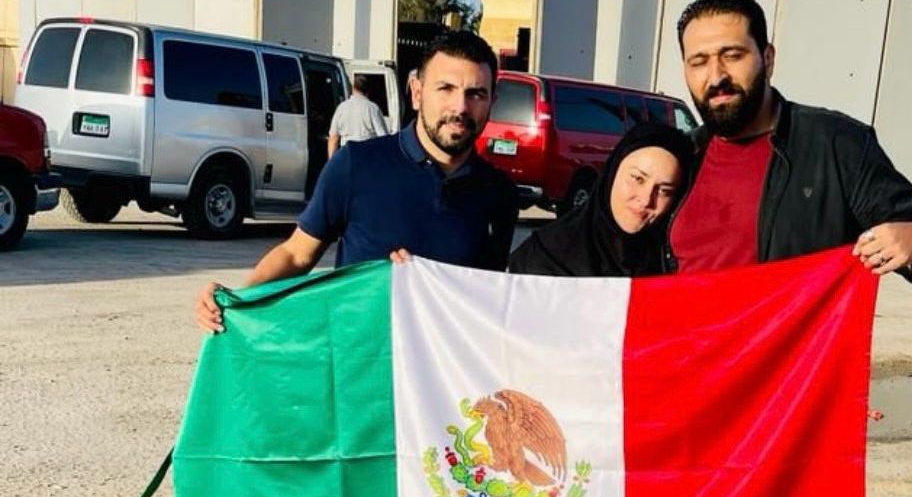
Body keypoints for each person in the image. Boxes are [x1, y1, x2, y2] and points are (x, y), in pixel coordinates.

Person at [196, 30, 519, 332]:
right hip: (361, 361)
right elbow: (297, 255)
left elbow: (490, 300)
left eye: (476, 94)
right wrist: (238, 302)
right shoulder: (356, 165)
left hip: (443, 369)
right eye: (445, 88)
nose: (460, 107)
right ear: (417, 93)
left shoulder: (500, 193)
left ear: (492, 101)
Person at [666, 0, 912, 282]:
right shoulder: (678, 158)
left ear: (768, 58)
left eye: (733, 56)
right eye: (698, 62)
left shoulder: (837, 144)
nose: (716, 77)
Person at [509, 122, 694, 277]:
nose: (646, 200)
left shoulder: (675, 265)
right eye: (638, 178)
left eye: (664, 191)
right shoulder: (543, 257)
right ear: (612, 173)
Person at [327, 73, 389, 159]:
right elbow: (383, 138)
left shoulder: (341, 108)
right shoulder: (372, 108)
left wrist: (332, 162)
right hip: (366, 155)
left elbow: (333, 138)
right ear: (368, 90)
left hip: (347, 155)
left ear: (353, 88)